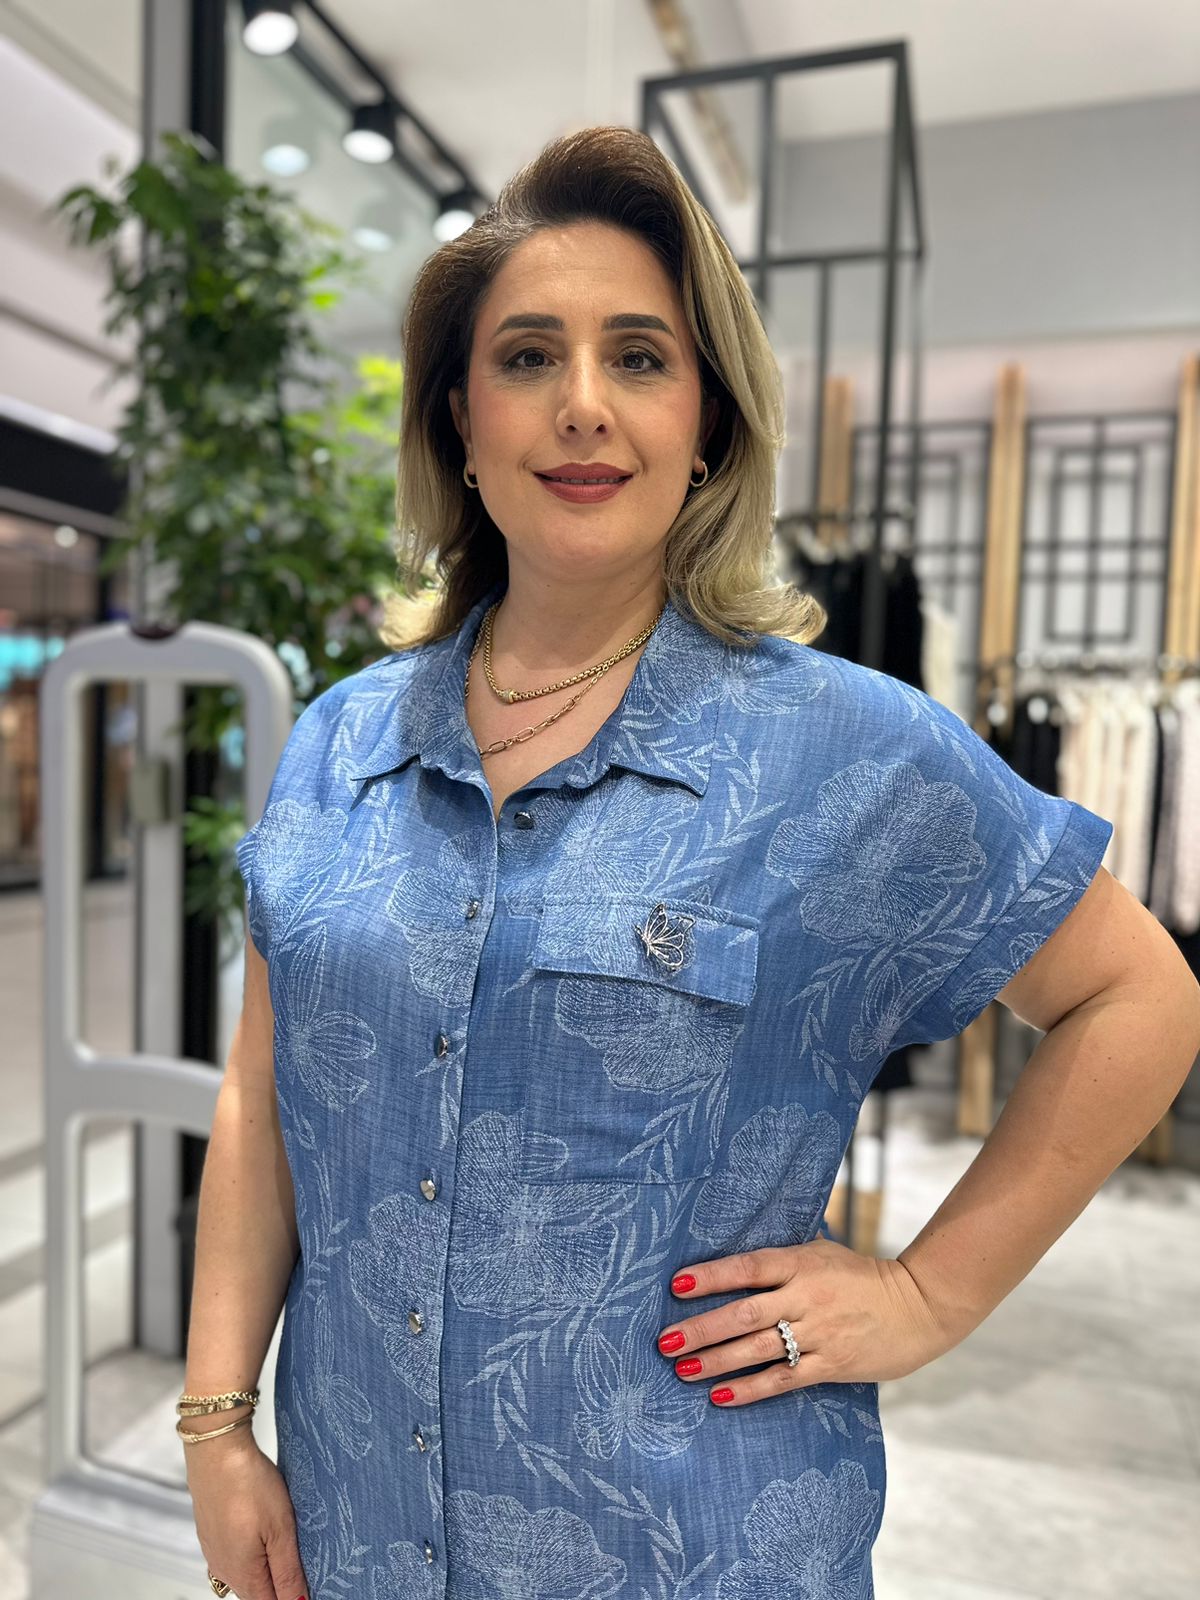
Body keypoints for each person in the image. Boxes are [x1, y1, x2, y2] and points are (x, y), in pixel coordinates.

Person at [180, 124, 1200, 1600]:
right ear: (459, 418)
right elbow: (261, 1090)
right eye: (528, 356)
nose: (583, 404)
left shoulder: (848, 750)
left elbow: (1140, 996)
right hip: (356, 1536)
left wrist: (930, 1293)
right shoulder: (341, 742)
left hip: (689, 1546)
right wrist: (218, 1425)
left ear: (708, 419)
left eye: (640, 357)